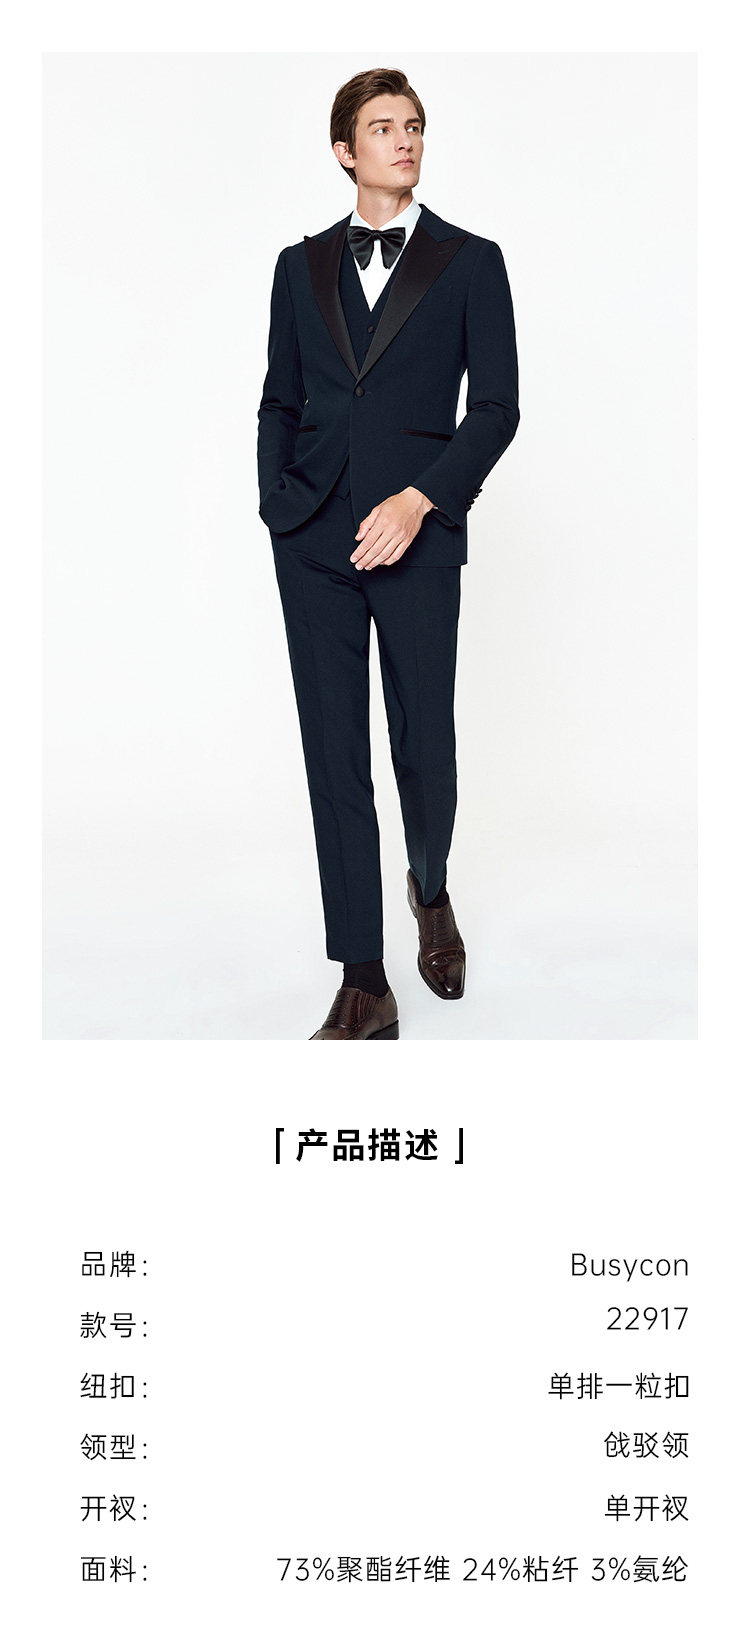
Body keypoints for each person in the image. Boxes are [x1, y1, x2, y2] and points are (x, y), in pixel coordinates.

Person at [257, 66, 519, 1039]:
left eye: (413, 126)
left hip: (418, 535)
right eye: (382, 127)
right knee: (335, 755)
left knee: (423, 744)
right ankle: (362, 978)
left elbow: (496, 408)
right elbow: (279, 398)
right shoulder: (299, 265)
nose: (404, 140)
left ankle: (431, 888)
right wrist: (277, 505)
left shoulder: (471, 261)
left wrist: (421, 499)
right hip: (313, 537)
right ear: (344, 150)